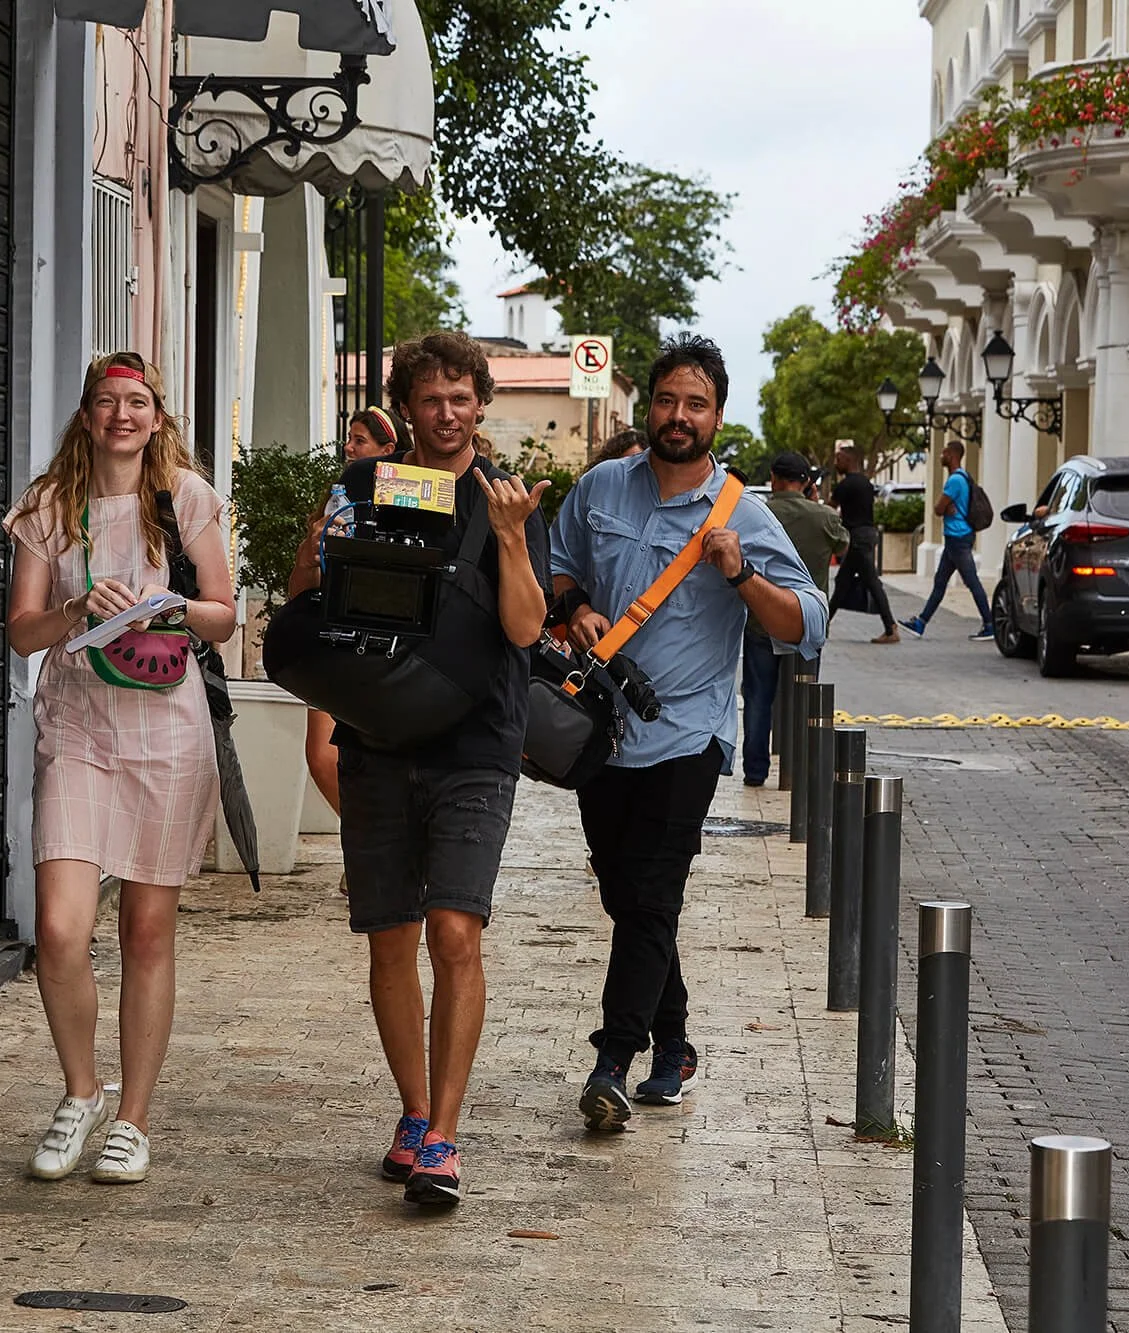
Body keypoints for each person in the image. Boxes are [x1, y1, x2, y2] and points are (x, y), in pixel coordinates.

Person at [286, 331, 552, 1207]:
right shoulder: (365, 485)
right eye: (431, 399)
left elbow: (523, 629)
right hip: (379, 734)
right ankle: (411, 1114)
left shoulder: (507, 500)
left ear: (482, 403)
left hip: (475, 743)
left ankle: (444, 1134)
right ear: (407, 407)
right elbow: (303, 600)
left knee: (455, 932)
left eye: (461, 397)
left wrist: (512, 539)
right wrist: (318, 543)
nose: (447, 413)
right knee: (392, 936)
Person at [549, 335, 828, 1129]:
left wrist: (741, 572)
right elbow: (559, 564)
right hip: (599, 730)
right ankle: (674, 1043)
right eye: (668, 399)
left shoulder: (745, 513)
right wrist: (574, 608)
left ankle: (613, 1059)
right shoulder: (603, 485)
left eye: (695, 403)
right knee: (625, 891)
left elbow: (809, 623)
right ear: (650, 406)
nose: (679, 415)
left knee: (651, 895)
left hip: (687, 735)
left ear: (717, 415)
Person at [3, 352, 238, 1185]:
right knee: (61, 927)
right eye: (107, 402)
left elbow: (224, 616)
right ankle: (81, 1090)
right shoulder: (48, 506)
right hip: (76, 727)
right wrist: (73, 609)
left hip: (167, 729)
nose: (122, 416)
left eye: (136, 402)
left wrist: (171, 606)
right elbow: (21, 632)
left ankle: (133, 1117)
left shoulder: (187, 500)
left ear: (157, 417)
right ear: (87, 415)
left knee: (145, 929)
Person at [308, 406, 412, 817]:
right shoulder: (339, 492)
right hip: (331, 640)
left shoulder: (406, 498)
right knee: (320, 757)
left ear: (388, 451)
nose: (349, 448)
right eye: (348, 439)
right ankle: (364, 846)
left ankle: (375, 854)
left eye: (360, 441)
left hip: (382, 653)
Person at [739, 451, 848, 789]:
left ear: (773, 477)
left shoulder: (758, 512)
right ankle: (798, 770)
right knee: (805, 700)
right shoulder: (823, 517)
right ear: (807, 483)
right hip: (805, 624)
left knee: (757, 698)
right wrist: (814, 502)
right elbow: (843, 546)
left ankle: (755, 772)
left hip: (761, 621)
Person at [899, 440, 993, 641]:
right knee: (940, 582)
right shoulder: (964, 477)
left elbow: (938, 508)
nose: (941, 456)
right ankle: (920, 623)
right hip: (955, 538)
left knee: (972, 581)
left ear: (952, 455)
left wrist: (943, 507)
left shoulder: (955, 481)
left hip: (958, 538)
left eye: (943, 453)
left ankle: (990, 624)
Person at [828, 445, 901, 645]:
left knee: (871, 582)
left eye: (839, 459)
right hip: (866, 535)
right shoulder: (866, 484)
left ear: (849, 460)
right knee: (842, 582)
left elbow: (829, 508)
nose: (836, 463)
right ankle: (822, 625)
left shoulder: (846, 485)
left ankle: (891, 627)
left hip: (857, 539)